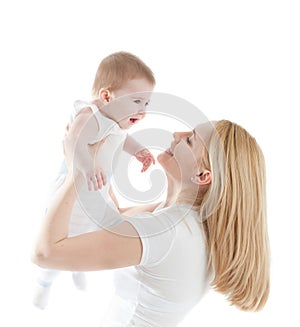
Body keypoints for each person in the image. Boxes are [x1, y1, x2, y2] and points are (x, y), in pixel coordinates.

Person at [32, 119, 270, 326]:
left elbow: (45, 253)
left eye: (189, 141)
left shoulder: (167, 232)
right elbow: (113, 217)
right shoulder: (187, 223)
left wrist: (77, 171)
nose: (176, 135)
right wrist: (93, 160)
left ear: (202, 175)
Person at [33, 51, 156, 309]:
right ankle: (44, 283)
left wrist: (139, 151)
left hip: (96, 191)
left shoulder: (116, 121)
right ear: (107, 96)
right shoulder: (90, 116)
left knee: (89, 234)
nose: (142, 111)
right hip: (73, 194)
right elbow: (72, 142)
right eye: (136, 101)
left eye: (146, 104)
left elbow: (122, 138)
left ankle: (77, 267)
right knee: (65, 235)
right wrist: (87, 167)